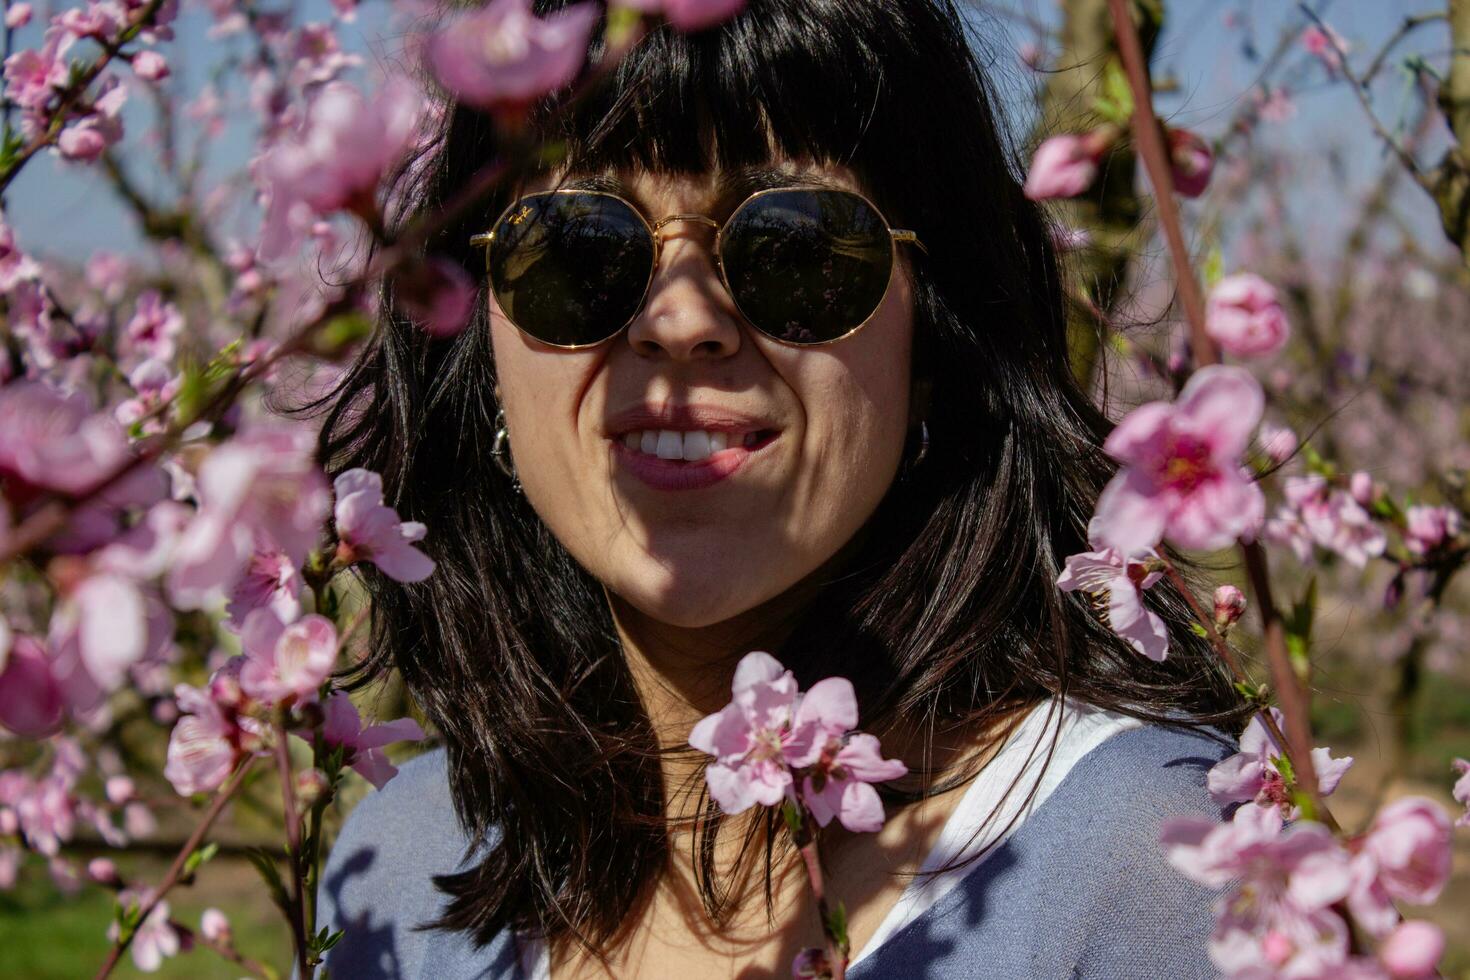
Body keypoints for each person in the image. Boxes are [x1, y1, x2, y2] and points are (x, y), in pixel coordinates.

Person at [313, 0, 1246, 976]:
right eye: (579, 249)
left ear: (931, 336)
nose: (679, 321)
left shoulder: (1150, 861)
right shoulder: (396, 871)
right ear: (481, 336)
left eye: (795, 246)